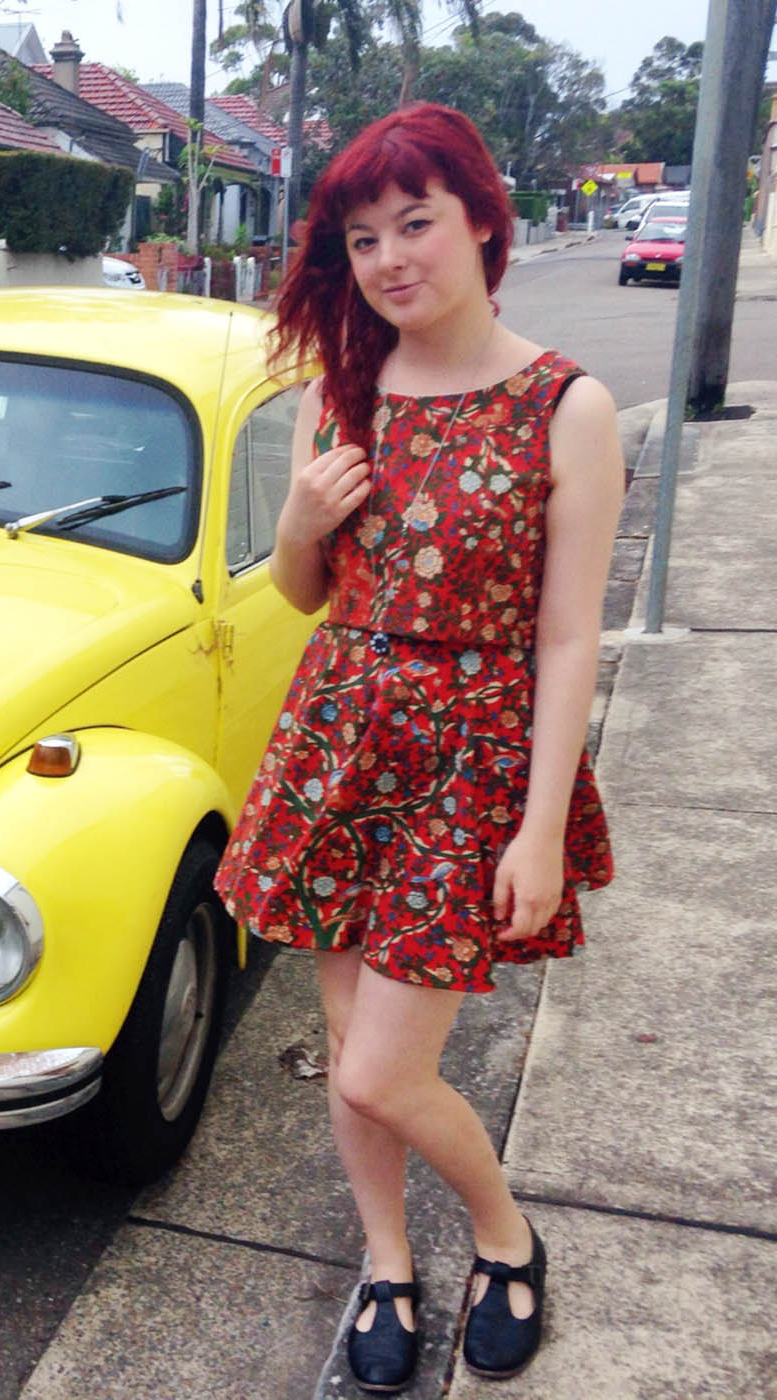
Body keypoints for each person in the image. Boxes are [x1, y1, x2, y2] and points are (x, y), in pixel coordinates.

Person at [214, 104, 622, 1392]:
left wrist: (541, 829)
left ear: (484, 221)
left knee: (388, 1068)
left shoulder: (567, 406)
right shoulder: (338, 396)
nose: (389, 258)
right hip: (339, 744)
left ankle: (505, 1236)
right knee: (352, 1056)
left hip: (472, 761)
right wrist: (296, 520)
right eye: (362, 237)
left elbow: (569, 638)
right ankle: (386, 1261)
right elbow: (303, 595)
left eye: (415, 223)